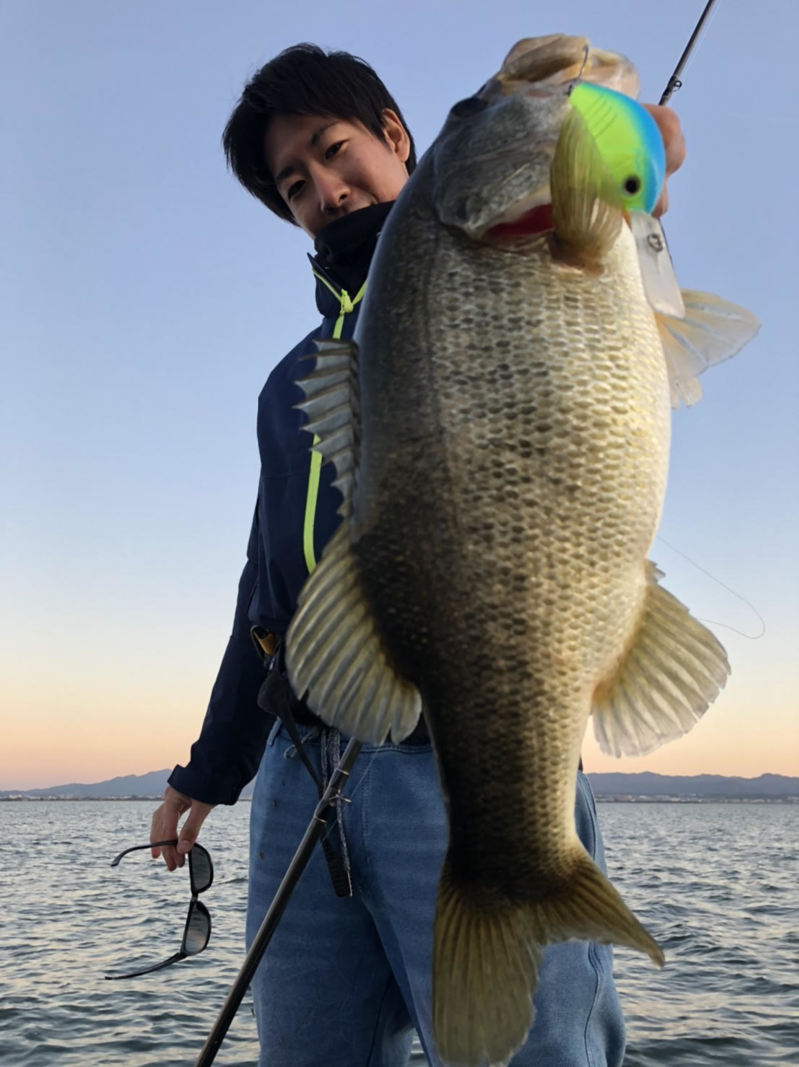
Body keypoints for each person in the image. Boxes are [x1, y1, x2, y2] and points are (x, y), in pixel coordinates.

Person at [150, 43, 686, 1067]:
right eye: (293, 184)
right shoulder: (291, 382)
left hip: (460, 757)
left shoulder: (535, 245)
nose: (322, 190)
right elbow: (267, 592)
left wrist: (634, 180)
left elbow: (623, 261)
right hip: (299, 775)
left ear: (397, 137)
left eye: (333, 150)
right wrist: (209, 770)